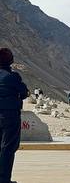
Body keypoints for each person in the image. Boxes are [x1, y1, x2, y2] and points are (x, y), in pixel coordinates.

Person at [0, 48, 29, 183]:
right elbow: (24, 93)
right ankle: (4, 179)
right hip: (9, 115)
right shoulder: (13, 77)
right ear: (10, 61)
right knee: (8, 147)